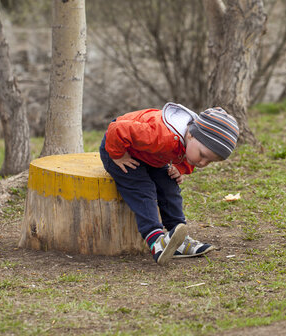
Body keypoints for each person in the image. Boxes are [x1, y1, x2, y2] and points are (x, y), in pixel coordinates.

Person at [99, 103, 239, 265]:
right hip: (122, 149)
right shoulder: (161, 135)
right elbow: (117, 129)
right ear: (192, 135)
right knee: (143, 189)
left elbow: (187, 155)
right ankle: (155, 240)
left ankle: (179, 238)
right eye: (202, 155)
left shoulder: (190, 141)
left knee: (169, 186)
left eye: (209, 161)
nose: (202, 163)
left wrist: (180, 168)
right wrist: (117, 155)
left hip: (151, 155)